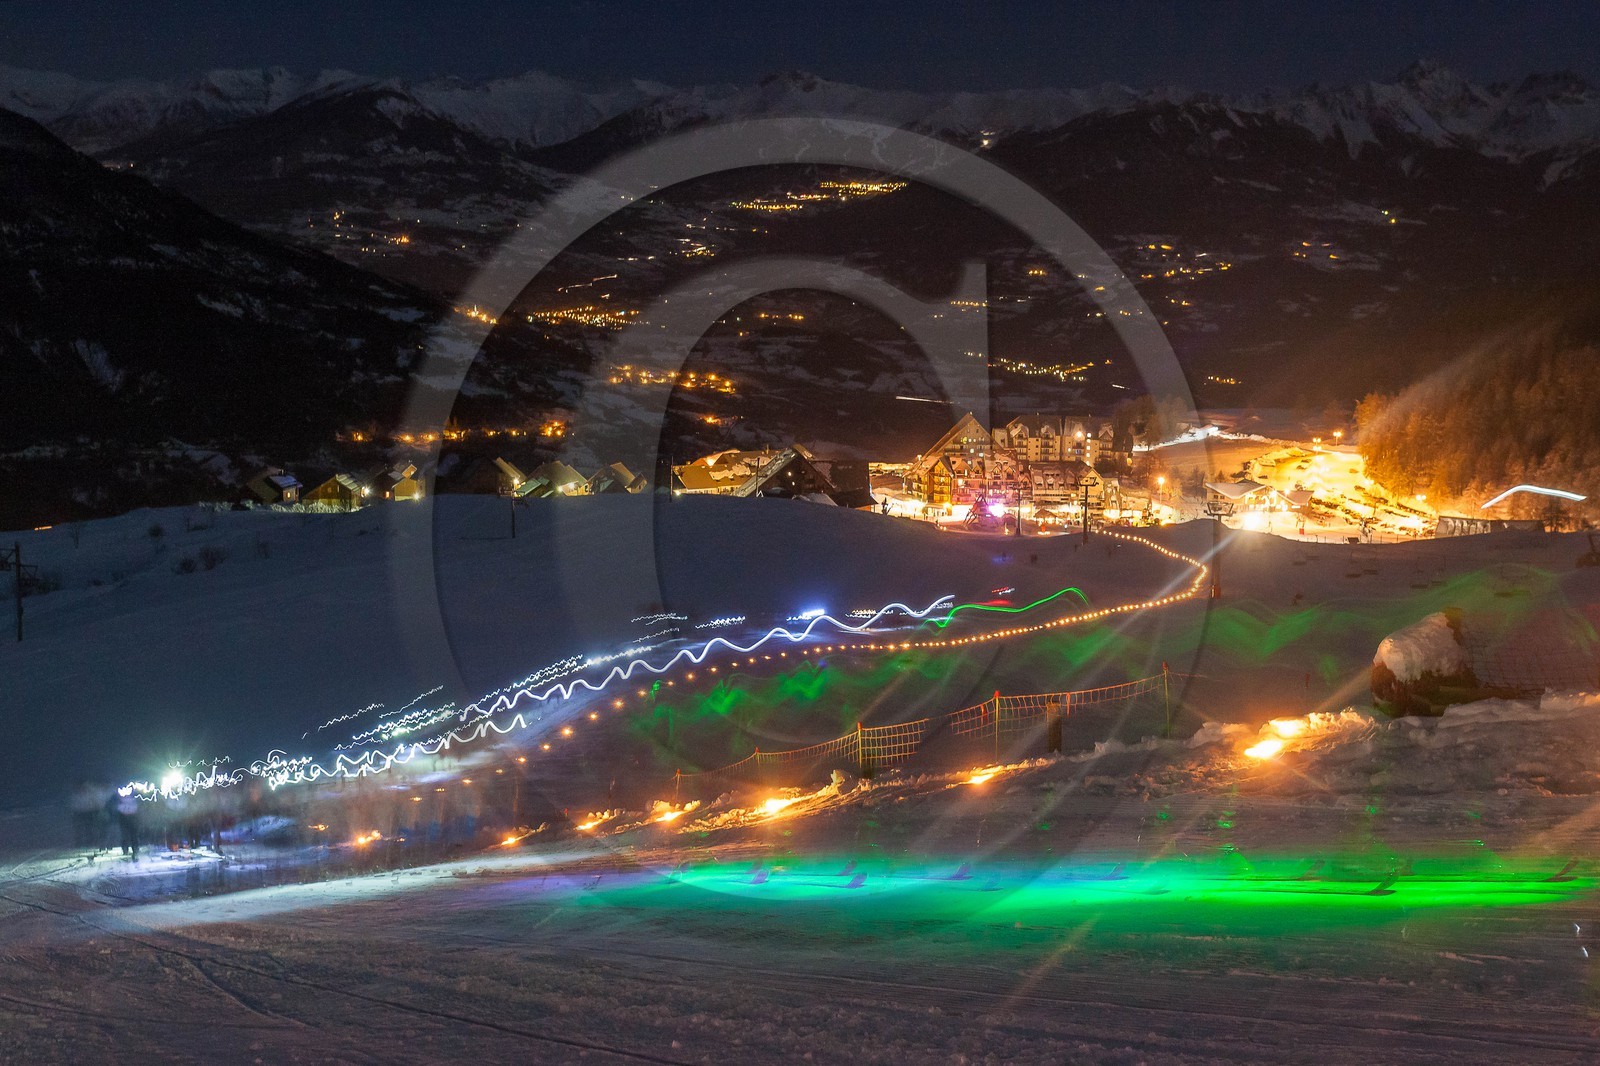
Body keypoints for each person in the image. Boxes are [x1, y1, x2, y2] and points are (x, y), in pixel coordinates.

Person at [115, 788, 141, 860]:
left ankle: (127, 849)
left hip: (127, 818)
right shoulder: (133, 800)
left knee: (127, 835)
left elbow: (119, 808)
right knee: (132, 835)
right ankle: (133, 849)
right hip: (130, 818)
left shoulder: (122, 800)